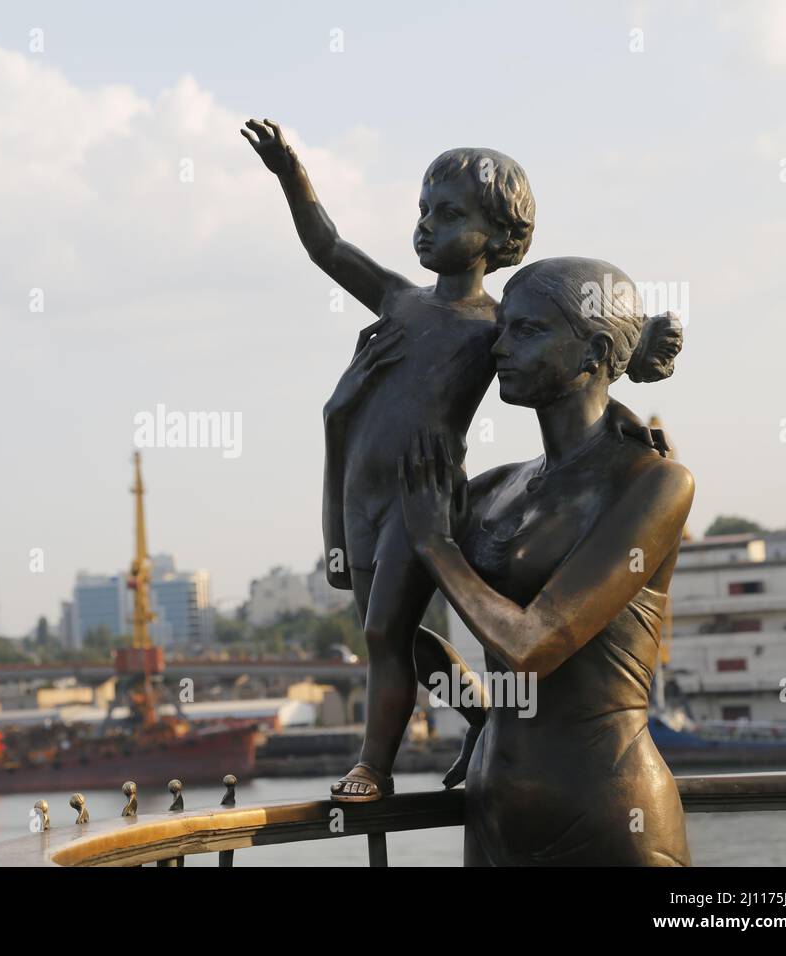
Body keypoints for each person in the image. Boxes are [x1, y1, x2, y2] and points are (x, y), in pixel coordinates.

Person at [241, 119, 655, 801]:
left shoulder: (496, 325)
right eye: (424, 211)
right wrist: (293, 177)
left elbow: (587, 354)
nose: (427, 226)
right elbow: (329, 247)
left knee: (381, 633)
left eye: (449, 214)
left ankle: (371, 767)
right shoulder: (399, 299)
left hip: (420, 496)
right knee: (391, 633)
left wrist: (634, 422)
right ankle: (480, 715)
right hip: (358, 492)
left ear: (497, 239)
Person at [398, 257, 691, 865]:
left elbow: (534, 647)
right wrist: (479, 711)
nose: (498, 348)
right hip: (493, 808)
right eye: (502, 328)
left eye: (526, 331)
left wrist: (436, 545)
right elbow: (382, 611)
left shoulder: (653, 484)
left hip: (608, 812)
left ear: (595, 352)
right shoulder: (494, 488)